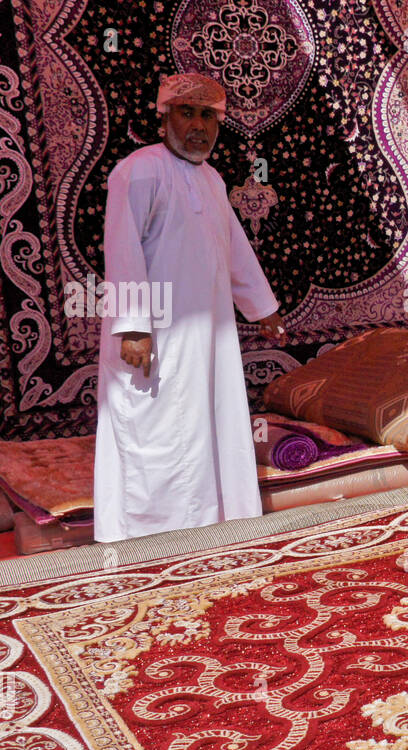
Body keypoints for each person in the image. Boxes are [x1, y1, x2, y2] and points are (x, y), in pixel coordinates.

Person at [94, 73, 285, 542]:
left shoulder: (213, 179)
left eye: (208, 115)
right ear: (164, 118)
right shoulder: (138, 170)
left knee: (210, 424)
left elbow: (234, 248)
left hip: (210, 337)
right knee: (157, 433)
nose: (198, 125)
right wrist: (134, 326)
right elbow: (122, 251)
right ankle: (154, 540)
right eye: (187, 112)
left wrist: (261, 307)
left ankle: (215, 532)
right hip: (154, 336)